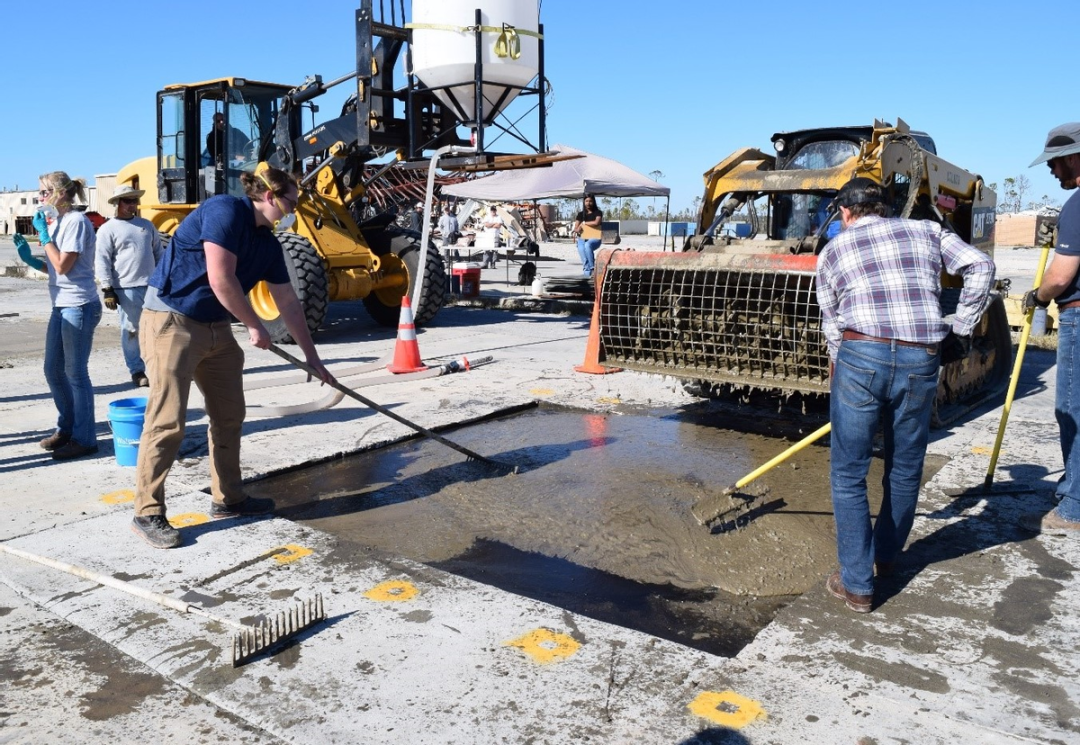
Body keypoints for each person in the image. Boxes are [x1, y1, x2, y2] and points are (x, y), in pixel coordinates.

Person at [815, 177, 994, 612]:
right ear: (885, 208)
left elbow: (832, 323)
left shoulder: (833, 251)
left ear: (845, 212)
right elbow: (981, 266)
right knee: (904, 465)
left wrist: (843, 372)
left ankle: (858, 586)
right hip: (920, 358)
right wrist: (961, 328)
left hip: (861, 355)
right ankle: (886, 556)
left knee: (848, 473)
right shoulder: (927, 231)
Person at [131, 165, 333, 549]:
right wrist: (255, 325)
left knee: (229, 415)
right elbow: (220, 278)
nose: (294, 209)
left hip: (216, 326)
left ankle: (229, 499)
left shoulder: (268, 244)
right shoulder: (225, 210)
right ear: (270, 196)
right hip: (172, 320)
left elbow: (288, 301)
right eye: (292, 202)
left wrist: (313, 358)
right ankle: (147, 512)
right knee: (167, 419)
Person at [12, 172, 102, 460]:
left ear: (60, 193)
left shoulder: (75, 221)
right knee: (52, 369)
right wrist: (30, 260)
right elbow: (54, 268)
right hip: (61, 304)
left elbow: (63, 266)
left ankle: (85, 439)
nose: (40, 197)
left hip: (79, 305)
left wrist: (43, 235)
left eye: (43, 192)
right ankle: (67, 429)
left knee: (76, 373)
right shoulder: (60, 222)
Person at [1020, 122, 1080, 535]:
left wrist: (1038, 297)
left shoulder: (1076, 206)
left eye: (1055, 163)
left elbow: (1060, 276)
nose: (1052, 171)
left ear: (1073, 157)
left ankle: (1074, 507)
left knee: (1072, 409)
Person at [94, 185, 162, 388]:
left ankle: (159, 368)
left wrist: (164, 278)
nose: (132, 204)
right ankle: (137, 371)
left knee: (157, 328)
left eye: (134, 200)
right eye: (127, 201)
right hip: (126, 288)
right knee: (131, 330)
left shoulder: (146, 226)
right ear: (118, 203)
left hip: (151, 286)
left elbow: (159, 253)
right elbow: (102, 260)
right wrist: (107, 288)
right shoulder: (108, 229)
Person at [573, 195, 603, 276]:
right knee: (583, 253)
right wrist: (577, 229)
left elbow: (596, 222)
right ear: (584, 202)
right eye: (586, 201)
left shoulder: (598, 213)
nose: (588, 203)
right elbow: (576, 228)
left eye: (590, 201)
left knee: (587, 245)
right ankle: (587, 273)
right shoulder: (580, 214)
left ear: (593, 202)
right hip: (582, 238)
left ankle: (592, 268)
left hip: (595, 237)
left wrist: (584, 223)